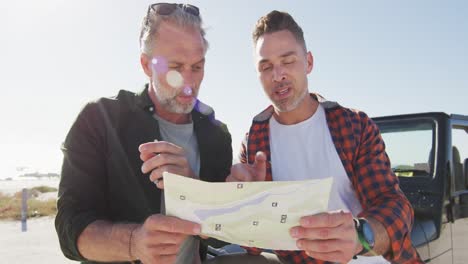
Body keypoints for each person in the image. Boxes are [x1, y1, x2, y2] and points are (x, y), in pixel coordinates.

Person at [227, 10, 423, 264]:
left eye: (288, 61)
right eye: (266, 67)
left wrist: (359, 236)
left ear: (308, 62)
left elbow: (393, 204)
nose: (278, 75)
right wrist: (244, 206)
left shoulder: (353, 125)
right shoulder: (254, 142)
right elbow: (254, 241)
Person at [55, 3, 232, 264]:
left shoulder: (217, 134)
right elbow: (70, 230)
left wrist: (235, 197)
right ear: (146, 65)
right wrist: (133, 243)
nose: (188, 82)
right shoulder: (99, 119)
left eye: (197, 67)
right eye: (175, 67)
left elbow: (219, 238)